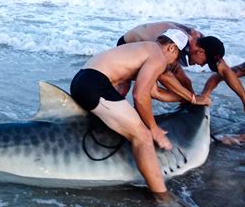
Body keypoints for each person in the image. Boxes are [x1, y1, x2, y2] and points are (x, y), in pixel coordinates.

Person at [70, 29, 188, 195]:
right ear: (172, 48)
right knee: (143, 137)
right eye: (177, 59)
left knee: (130, 125)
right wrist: (153, 129)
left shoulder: (145, 49)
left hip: (82, 80)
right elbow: (140, 96)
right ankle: (162, 197)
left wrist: (190, 98)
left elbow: (154, 92)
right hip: (95, 85)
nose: (173, 64)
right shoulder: (158, 57)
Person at [118, 22, 245, 116]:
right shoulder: (175, 41)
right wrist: (192, 98)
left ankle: (186, 107)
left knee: (186, 82)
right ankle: (128, 116)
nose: (203, 65)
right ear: (200, 52)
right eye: (205, 62)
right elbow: (164, 76)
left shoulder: (203, 42)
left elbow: (225, 71)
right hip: (130, 45)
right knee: (150, 90)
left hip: (157, 51)